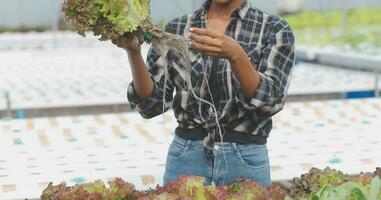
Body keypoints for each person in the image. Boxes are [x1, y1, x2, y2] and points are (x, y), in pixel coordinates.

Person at [112, 0, 295, 187]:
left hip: (245, 160)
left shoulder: (273, 29)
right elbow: (152, 104)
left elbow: (271, 101)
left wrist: (237, 56)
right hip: (186, 157)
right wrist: (133, 53)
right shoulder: (177, 27)